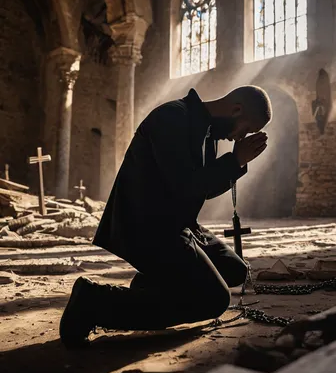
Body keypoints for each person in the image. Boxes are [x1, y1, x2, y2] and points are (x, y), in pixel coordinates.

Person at [59, 86, 272, 348]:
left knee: (235, 270)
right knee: (213, 299)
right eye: (245, 130)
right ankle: (93, 302)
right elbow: (185, 186)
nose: (238, 138)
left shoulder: (207, 132)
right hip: (147, 226)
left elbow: (202, 189)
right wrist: (234, 160)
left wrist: (236, 163)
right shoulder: (173, 117)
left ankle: (152, 285)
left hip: (177, 223)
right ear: (236, 110)